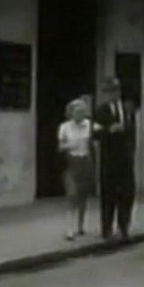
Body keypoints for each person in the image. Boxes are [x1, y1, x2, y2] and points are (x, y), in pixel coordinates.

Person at [92, 77, 137, 242]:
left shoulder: (127, 110)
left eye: (115, 91)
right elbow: (95, 134)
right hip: (109, 159)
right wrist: (109, 130)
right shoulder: (100, 111)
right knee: (109, 195)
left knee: (127, 194)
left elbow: (132, 132)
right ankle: (107, 230)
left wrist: (132, 152)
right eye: (109, 92)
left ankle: (124, 228)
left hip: (125, 158)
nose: (113, 95)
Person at [58, 98, 94, 241]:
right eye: (77, 111)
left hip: (86, 161)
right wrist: (71, 144)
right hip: (72, 162)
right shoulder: (65, 127)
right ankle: (69, 229)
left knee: (83, 196)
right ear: (71, 113)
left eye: (82, 111)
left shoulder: (89, 125)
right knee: (72, 195)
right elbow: (60, 147)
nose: (80, 114)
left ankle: (81, 226)